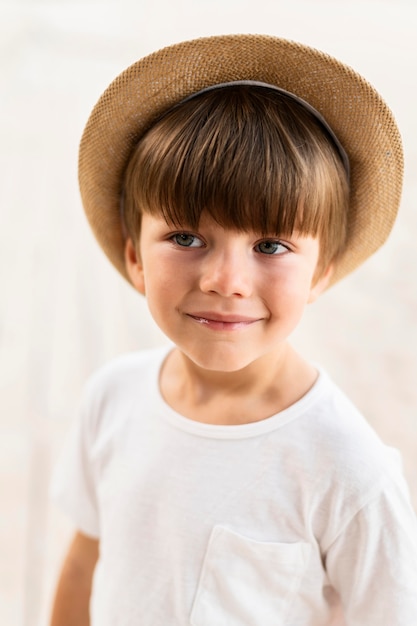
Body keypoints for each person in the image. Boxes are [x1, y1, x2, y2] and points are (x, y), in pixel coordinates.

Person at [49, 34, 417, 626]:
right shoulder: (111, 400)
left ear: (321, 271)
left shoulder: (349, 469)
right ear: (135, 257)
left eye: (271, 245)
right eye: (186, 238)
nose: (227, 281)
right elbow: (83, 564)